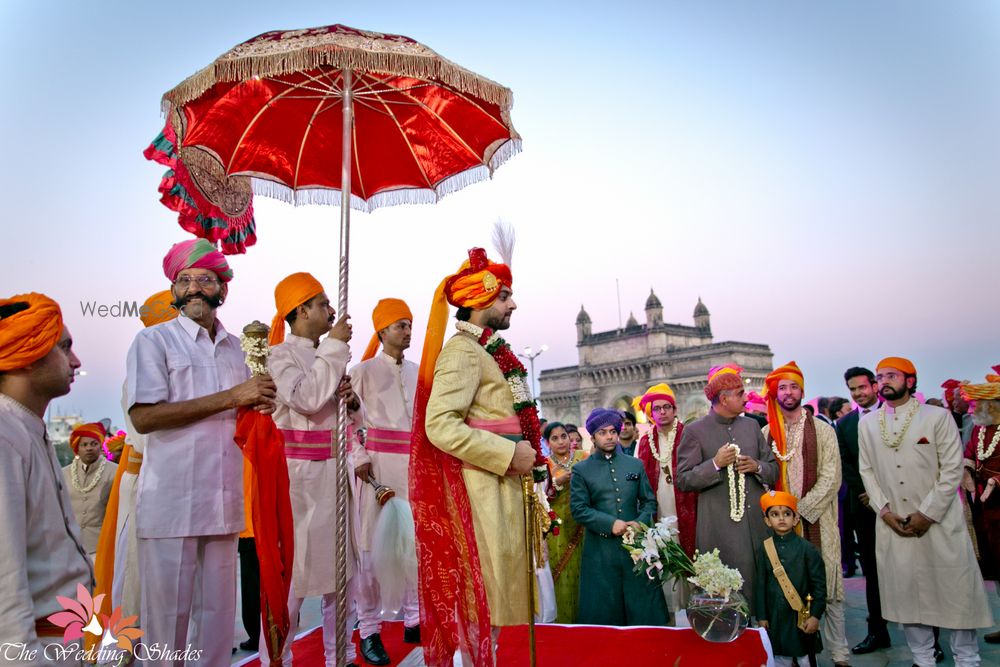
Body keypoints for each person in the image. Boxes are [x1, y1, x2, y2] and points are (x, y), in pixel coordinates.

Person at [126, 239, 276, 666]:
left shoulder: (238, 348)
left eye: (205, 279)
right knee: (166, 626)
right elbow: (144, 418)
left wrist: (262, 402)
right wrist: (233, 395)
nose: (194, 288)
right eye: (184, 280)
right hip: (171, 504)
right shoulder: (153, 342)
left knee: (218, 624)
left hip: (223, 502)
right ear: (173, 289)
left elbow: (247, 408)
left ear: (222, 290)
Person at [411, 247, 536, 667]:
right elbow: (440, 425)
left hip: (498, 486)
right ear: (479, 300)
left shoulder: (487, 351)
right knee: (478, 601)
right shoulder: (462, 353)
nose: (512, 303)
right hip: (480, 491)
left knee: (492, 605)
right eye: (504, 296)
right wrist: (507, 454)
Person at [859, 356, 993, 667]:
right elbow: (867, 471)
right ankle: (923, 660)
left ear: (910, 380)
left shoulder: (936, 417)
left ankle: (968, 660)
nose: (884, 381)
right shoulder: (867, 424)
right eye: (880, 376)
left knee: (956, 598)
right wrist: (886, 512)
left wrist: (927, 514)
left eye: (892, 375)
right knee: (908, 599)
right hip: (894, 525)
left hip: (940, 523)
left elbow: (952, 469)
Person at [265, 271, 362, 667]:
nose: (331, 311)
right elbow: (306, 398)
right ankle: (279, 658)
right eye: (323, 304)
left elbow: (353, 420)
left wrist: (352, 401)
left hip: (337, 478)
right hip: (299, 482)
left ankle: (340, 657)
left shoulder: (328, 357)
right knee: (293, 579)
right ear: (301, 310)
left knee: (343, 580)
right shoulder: (279, 356)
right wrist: (336, 346)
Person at [0, 292, 92, 664]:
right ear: (24, 356)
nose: (76, 360)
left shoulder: (26, 427)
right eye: (63, 347)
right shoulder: (6, 435)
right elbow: (5, 574)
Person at [760, 361, 849, 666]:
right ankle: (792, 651)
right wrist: (779, 515)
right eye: (782, 387)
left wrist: (802, 511)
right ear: (775, 392)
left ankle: (840, 652)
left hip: (817, 519)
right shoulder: (766, 432)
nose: (788, 392)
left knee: (828, 583)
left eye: (793, 386)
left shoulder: (822, 430)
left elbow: (832, 476)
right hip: (779, 524)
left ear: (802, 390)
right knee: (786, 587)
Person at [350, 297, 421, 663]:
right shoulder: (360, 372)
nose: (408, 331)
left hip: (413, 469)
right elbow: (347, 425)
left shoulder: (418, 371)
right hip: (375, 470)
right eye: (400, 325)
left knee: (413, 546)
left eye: (409, 324)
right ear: (382, 331)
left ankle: (414, 618)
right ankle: (369, 630)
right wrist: (359, 457)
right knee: (370, 552)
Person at [675, 364, 778, 608]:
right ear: (723, 398)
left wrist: (757, 466)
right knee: (726, 598)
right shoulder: (694, 431)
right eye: (740, 393)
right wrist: (715, 464)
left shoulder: (752, 426)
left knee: (761, 589)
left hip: (756, 526)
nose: (746, 397)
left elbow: (772, 469)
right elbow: (683, 480)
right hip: (719, 529)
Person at [570, 408, 667, 626]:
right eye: (603, 432)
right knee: (605, 611)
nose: (609, 436)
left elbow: (649, 501)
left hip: (637, 549)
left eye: (613, 431)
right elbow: (579, 509)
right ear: (593, 436)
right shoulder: (582, 470)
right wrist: (609, 523)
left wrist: (640, 522)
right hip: (600, 551)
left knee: (643, 610)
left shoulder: (634, 464)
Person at [835, 366, 890, 655]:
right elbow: (847, 466)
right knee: (872, 572)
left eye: (862, 387)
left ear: (875, 386)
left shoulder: (896, 415)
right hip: (865, 507)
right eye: (853, 390)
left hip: (902, 505)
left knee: (913, 571)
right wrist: (867, 495)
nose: (858, 393)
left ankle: (929, 639)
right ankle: (877, 631)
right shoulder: (845, 425)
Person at [754, 490, 826, 667]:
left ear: (795, 519)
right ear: (767, 520)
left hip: (801, 616)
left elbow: (819, 586)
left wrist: (815, 616)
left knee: (805, 659)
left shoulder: (808, 549)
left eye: (787, 514)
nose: (781, 519)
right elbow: (761, 584)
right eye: (775, 514)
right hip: (776, 617)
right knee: (779, 658)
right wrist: (762, 616)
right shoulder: (765, 549)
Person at [960, 368, 1000, 644]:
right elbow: (970, 455)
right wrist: (966, 469)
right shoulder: (979, 429)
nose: (973, 408)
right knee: (997, 569)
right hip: (985, 512)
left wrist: (995, 481)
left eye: (978, 404)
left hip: (998, 502)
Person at [544, 421, 587, 623]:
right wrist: (556, 482)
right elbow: (540, 497)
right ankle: (563, 621)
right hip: (557, 527)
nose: (561, 441)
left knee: (584, 569)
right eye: (555, 438)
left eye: (564, 436)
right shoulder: (544, 465)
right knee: (562, 572)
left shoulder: (584, 458)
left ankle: (587, 619)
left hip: (584, 523)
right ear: (547, 442)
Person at [63, 421, 117, 558]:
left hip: (101, 545)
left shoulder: (115, 472)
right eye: (84, 445)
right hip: (69, 544)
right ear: (77, 448)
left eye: (94, 444)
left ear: (100, 446)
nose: (89, 448)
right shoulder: (63, 473)